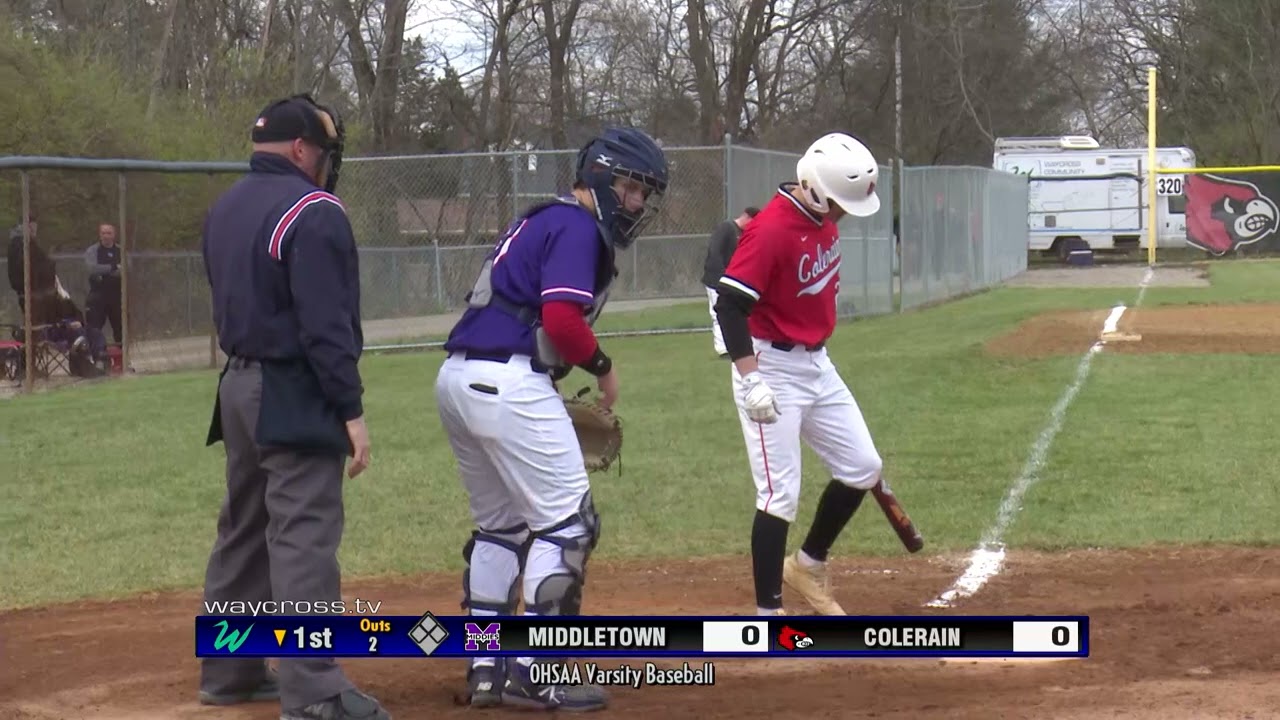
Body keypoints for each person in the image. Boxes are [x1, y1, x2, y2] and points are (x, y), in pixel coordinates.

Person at [435, 126, 668, 711]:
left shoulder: (541, 218)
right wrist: (603, 367)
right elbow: (562, 319)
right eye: (629, 187)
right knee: (567, 526)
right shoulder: (575, 225)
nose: (636, 202)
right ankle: (537, 671)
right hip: (509, 380)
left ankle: (486, 667)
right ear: (598, 177)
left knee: (502, 530)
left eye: (644, 193)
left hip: (460, 379)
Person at [199, 94, 390, 720]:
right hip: (291, 388)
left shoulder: (224, 208)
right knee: (302, 534)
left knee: (244, 531)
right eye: (324, 152)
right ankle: (314, 691)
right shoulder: (316, 208)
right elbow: (326, 326)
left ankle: (229, 671)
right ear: (303, 150)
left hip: (236, 388)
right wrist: (351, 410)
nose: (326, 164)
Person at [713, 132, 886, 617]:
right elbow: (730, 306)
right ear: (812, 188)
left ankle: (807, 565)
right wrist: (750, 379)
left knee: (863, 468)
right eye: (839, 203)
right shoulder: (771, 231)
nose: (844, 213)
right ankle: (767, 614)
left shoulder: (822, 220)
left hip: (817, 363)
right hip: (772, 365)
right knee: (778, 492)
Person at [700, 207, 759, 357]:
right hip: (716, 279)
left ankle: (735, 345)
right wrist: (720, 278)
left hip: (731, 281)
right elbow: (715, 252)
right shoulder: (727, 228)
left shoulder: (743, 234)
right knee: (717, 313)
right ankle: (722, 348)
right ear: (746, 216)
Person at [84, 222, 123, 345]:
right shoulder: (93, 250)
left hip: (117, 297)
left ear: (114, 235)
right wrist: (113, 267)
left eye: (109, 233)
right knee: (94, 330)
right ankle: (96, 359)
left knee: (120, 329)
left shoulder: (120, 250)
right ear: (100, 235)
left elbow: (127, 268)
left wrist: (105, 271)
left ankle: (123, 358)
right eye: (103, 233)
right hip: (97, 297)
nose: (106, 236)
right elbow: (92, 269)